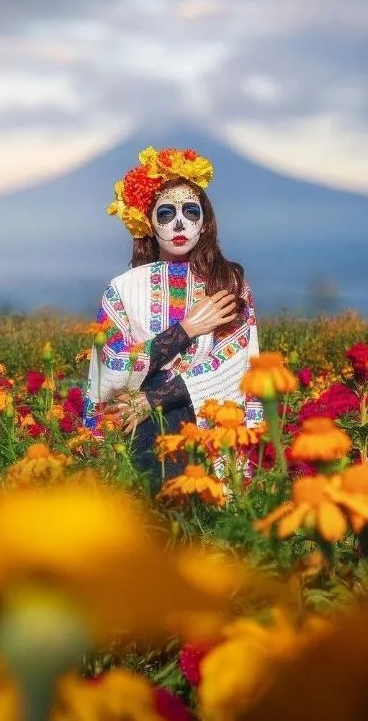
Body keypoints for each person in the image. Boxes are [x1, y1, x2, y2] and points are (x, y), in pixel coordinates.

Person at [83, 146, 263, 488]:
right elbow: (113, 365)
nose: (179, 223)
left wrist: (154, 399)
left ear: (205, 222)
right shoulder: (122, 289)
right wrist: (186, 329)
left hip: (204, 422)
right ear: (148, 223)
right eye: (166, 213)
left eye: (190, 212)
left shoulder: (229, 283)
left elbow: (234, 361)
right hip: (138, 427)